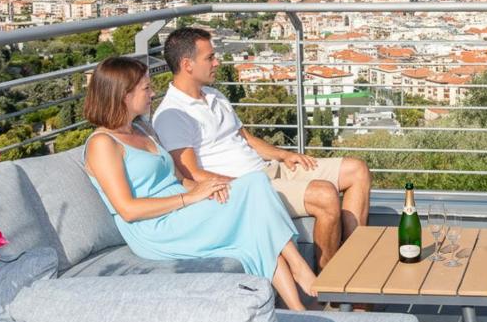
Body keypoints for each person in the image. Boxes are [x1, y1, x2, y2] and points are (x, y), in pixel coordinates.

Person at [81, 56, 318, 311]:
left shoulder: (142, 130)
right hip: (155, 228)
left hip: (183, 210)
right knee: (256, 184)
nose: (153, 93)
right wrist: (189, 198)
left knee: (254, 221)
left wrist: (208, 189)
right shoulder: (103, 144)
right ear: (123, 95)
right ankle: (299, 267)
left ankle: (298, 311)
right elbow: (128, 209)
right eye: (146, 88)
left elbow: (179, 179)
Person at [152, 27, 372, 271]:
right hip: (248, 188)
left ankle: (355, 265)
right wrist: (248, 187)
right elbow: (191, 174)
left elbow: (247, 139)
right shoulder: (172, 115)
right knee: (326, 195)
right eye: (210, 57)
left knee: (357, 170)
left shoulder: (214, 95)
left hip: (268, 170)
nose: (217, 62)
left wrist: (285, 155)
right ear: (187, 64)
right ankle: (332, 280)